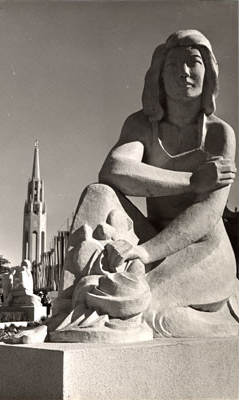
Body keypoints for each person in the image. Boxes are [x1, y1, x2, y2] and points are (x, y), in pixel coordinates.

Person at [59, 30, 238, 337]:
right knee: (98, 192)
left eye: (193, 62)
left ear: (208, 73)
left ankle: (88, 315)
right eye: (173, 66)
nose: (183, 72)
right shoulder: (140, 125)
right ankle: (65, 314)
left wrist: (144, 253)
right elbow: (113, 170)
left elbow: (207, 216)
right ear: (159, 76)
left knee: (140, 303)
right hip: (150, 238)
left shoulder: (221, 134)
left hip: (204, 250)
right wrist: (193, 180)